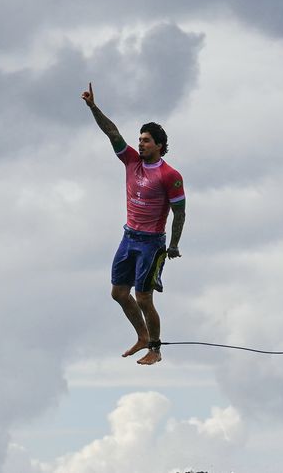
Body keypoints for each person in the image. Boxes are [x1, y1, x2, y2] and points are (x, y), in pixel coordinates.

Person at [81, 82, 185, 366]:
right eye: (139, 139)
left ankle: (155, 349)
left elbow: (180, 212)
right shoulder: (131, 161)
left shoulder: (170, 175)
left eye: (146, 140)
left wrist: (174, 245)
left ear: (159, 146)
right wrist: (93, 107)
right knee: (118, 293)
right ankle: (142, 336)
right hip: (129, 237)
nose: (140, 144)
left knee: (143, 298)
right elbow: (112, 133)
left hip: (152, 243)